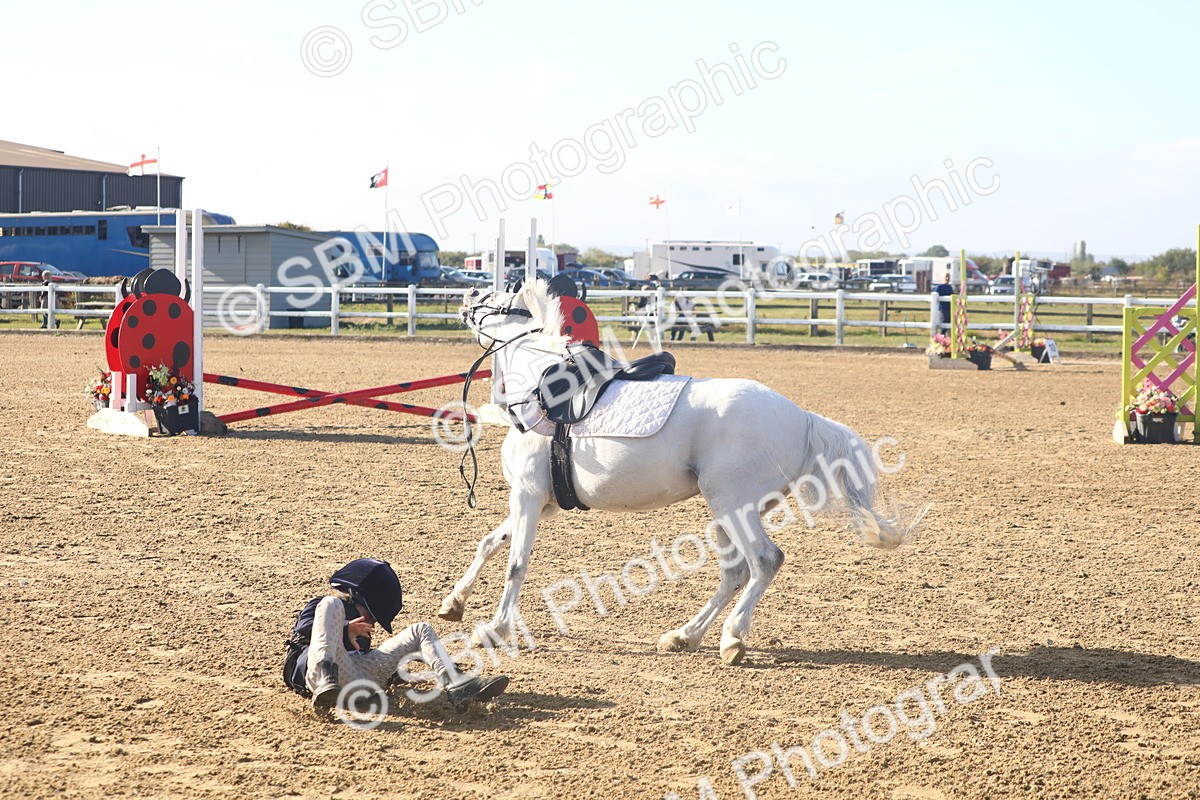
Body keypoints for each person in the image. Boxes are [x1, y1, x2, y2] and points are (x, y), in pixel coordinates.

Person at [283, 558, 508, 716]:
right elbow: (304, 631)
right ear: (355, 597)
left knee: (420, 629)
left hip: (358, 679)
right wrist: (344, 629)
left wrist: (399, 673)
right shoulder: (323, 606)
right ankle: (326, 681)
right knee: (330, 603)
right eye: (371, 615)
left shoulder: (361, 626)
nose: (372, 623)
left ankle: (456, 683)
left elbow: (363, 658)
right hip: (317, 675)